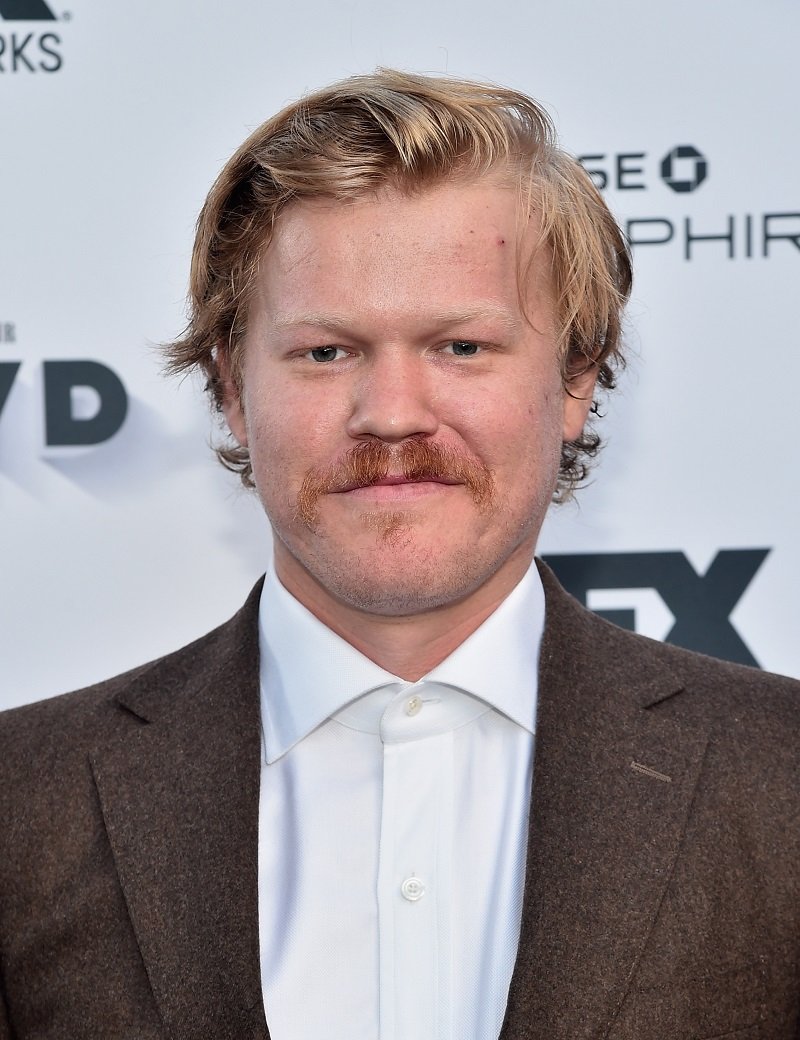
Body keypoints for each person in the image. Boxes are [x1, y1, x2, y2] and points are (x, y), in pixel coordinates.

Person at [0, 70, 798, 1040]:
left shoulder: (779, 776)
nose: (390, 412)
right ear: (231, 390)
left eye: (460, 346)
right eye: (324, 352)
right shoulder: (22, 803)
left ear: (576, 377)